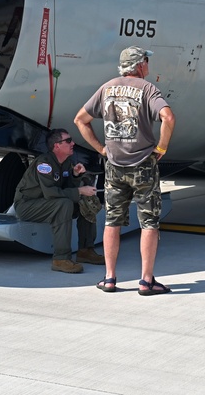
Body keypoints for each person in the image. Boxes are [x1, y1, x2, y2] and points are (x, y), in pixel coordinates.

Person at [75, 46, 176, 295]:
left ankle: (109, 278)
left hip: (114, 167)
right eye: (147, 61)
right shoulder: (147, 89)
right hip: (143, 164)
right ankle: (146, 280)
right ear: (140, 65)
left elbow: (81, 119)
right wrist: (161, 147)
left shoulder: (107, 87)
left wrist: (101, 149)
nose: (148, 65)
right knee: (149, 223)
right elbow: (168, 117)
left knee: (112, 221)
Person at [13, 128, 103, 273]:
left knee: (84, 201)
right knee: (64, 204)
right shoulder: (44, 164)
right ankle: (61, 258)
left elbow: (66, 189)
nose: (72, 143)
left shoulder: (66, 162)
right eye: (68, 141)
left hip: (48, 203)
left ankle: (86, 250)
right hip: (28, 205)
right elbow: (51, 193)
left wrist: (74, 176)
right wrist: (79, 190)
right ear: (57, 145)